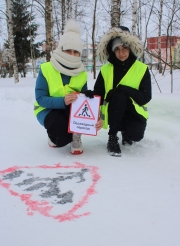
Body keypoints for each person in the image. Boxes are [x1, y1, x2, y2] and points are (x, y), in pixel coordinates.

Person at [34, 19, 102, 155]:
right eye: (68, 50)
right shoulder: (46, 68)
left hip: (69, 110)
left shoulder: (81, 73)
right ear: (61, 49)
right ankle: (54, 137)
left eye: (75, 52)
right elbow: (40, 99)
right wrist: (62, 101)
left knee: (77, 115)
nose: (72, 55)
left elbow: (84, 103)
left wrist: (95, 116)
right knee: (60, 138)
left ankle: (75, 137)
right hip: (47, 110)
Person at [85, 26, 152, 157]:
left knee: (136, 135)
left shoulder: (142, 69)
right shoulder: (105, 70)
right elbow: (99, 92)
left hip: (134, 112)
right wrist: (91, 95)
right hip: (113, 112)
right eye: (117, 49)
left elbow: (145, 97)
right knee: (119, 97)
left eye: (124, 48)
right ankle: (112, 137)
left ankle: (126, 132)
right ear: (112, 51)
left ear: (130, 48)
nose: (121, 53)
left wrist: (123, 89)